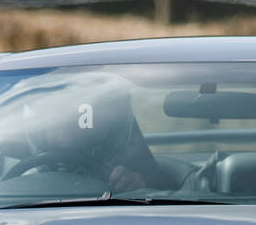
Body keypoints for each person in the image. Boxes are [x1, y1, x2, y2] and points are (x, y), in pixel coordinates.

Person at [24, 75, 171, 192]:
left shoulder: (134, 170)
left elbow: (167, 197)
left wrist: (140, 188)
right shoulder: (17, 182)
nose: (63, 129)